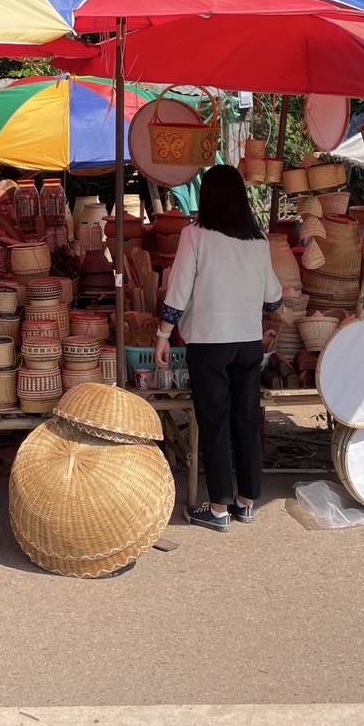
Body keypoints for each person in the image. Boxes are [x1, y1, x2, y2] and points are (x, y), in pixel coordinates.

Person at [154, 164, 283, 532]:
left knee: (214, 421)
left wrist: (164, 333)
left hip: (210, 342)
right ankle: (246, 502)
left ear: (206, 197)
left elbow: (178, 290)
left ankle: (218, 507)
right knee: (245, 418)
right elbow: (273, 298)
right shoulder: (257, 241)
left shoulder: (194, 235)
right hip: (248, 343)